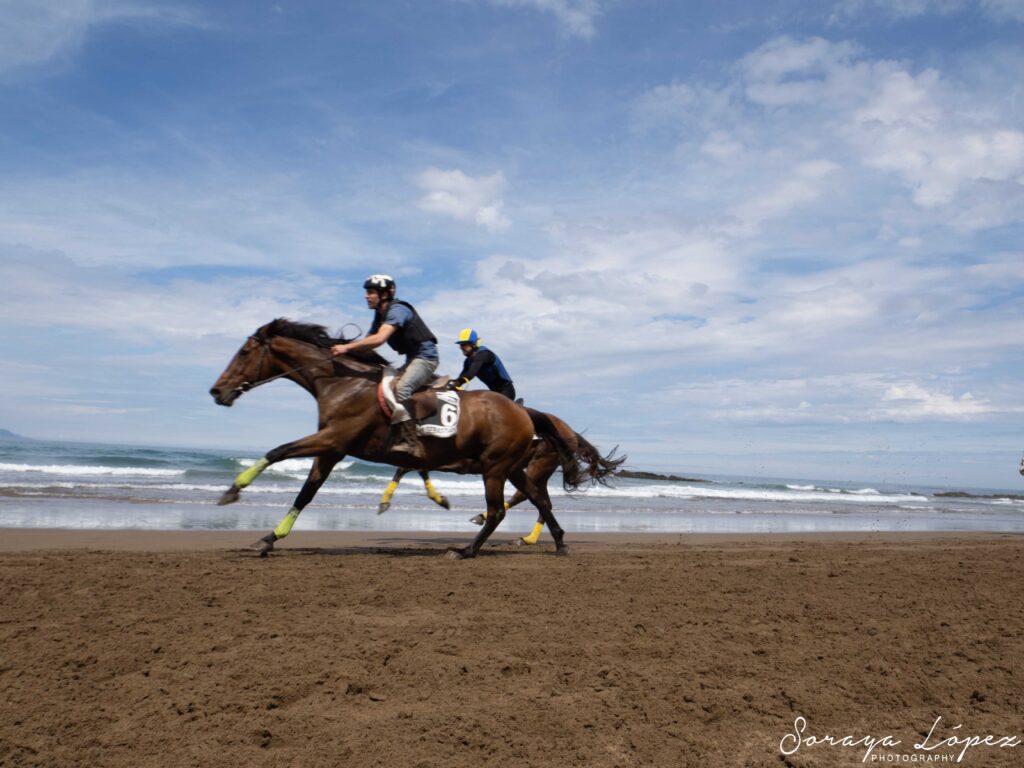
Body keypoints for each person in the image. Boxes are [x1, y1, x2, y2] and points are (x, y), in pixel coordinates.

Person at [331, 274, 439, 456]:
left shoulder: (398, 310)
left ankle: (410, 442)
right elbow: (368, 342)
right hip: (411, 359)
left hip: (426, 358)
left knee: (402, 389)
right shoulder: (380, 315)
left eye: (371, 292)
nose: (366, 296)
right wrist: (340, 350)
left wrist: (347, 347)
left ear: (385, 294)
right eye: (366, 292)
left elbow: (379, 339)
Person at [450, 328, 516, 401]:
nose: (461, 348)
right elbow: (461, 377)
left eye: (464, 344)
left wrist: (454, 383)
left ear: (473, 344)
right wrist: (452, 384)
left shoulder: (484, 354)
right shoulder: (467, 362)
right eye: (460, 345)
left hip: (507, 391)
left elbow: (470, 374)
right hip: (494, 392)